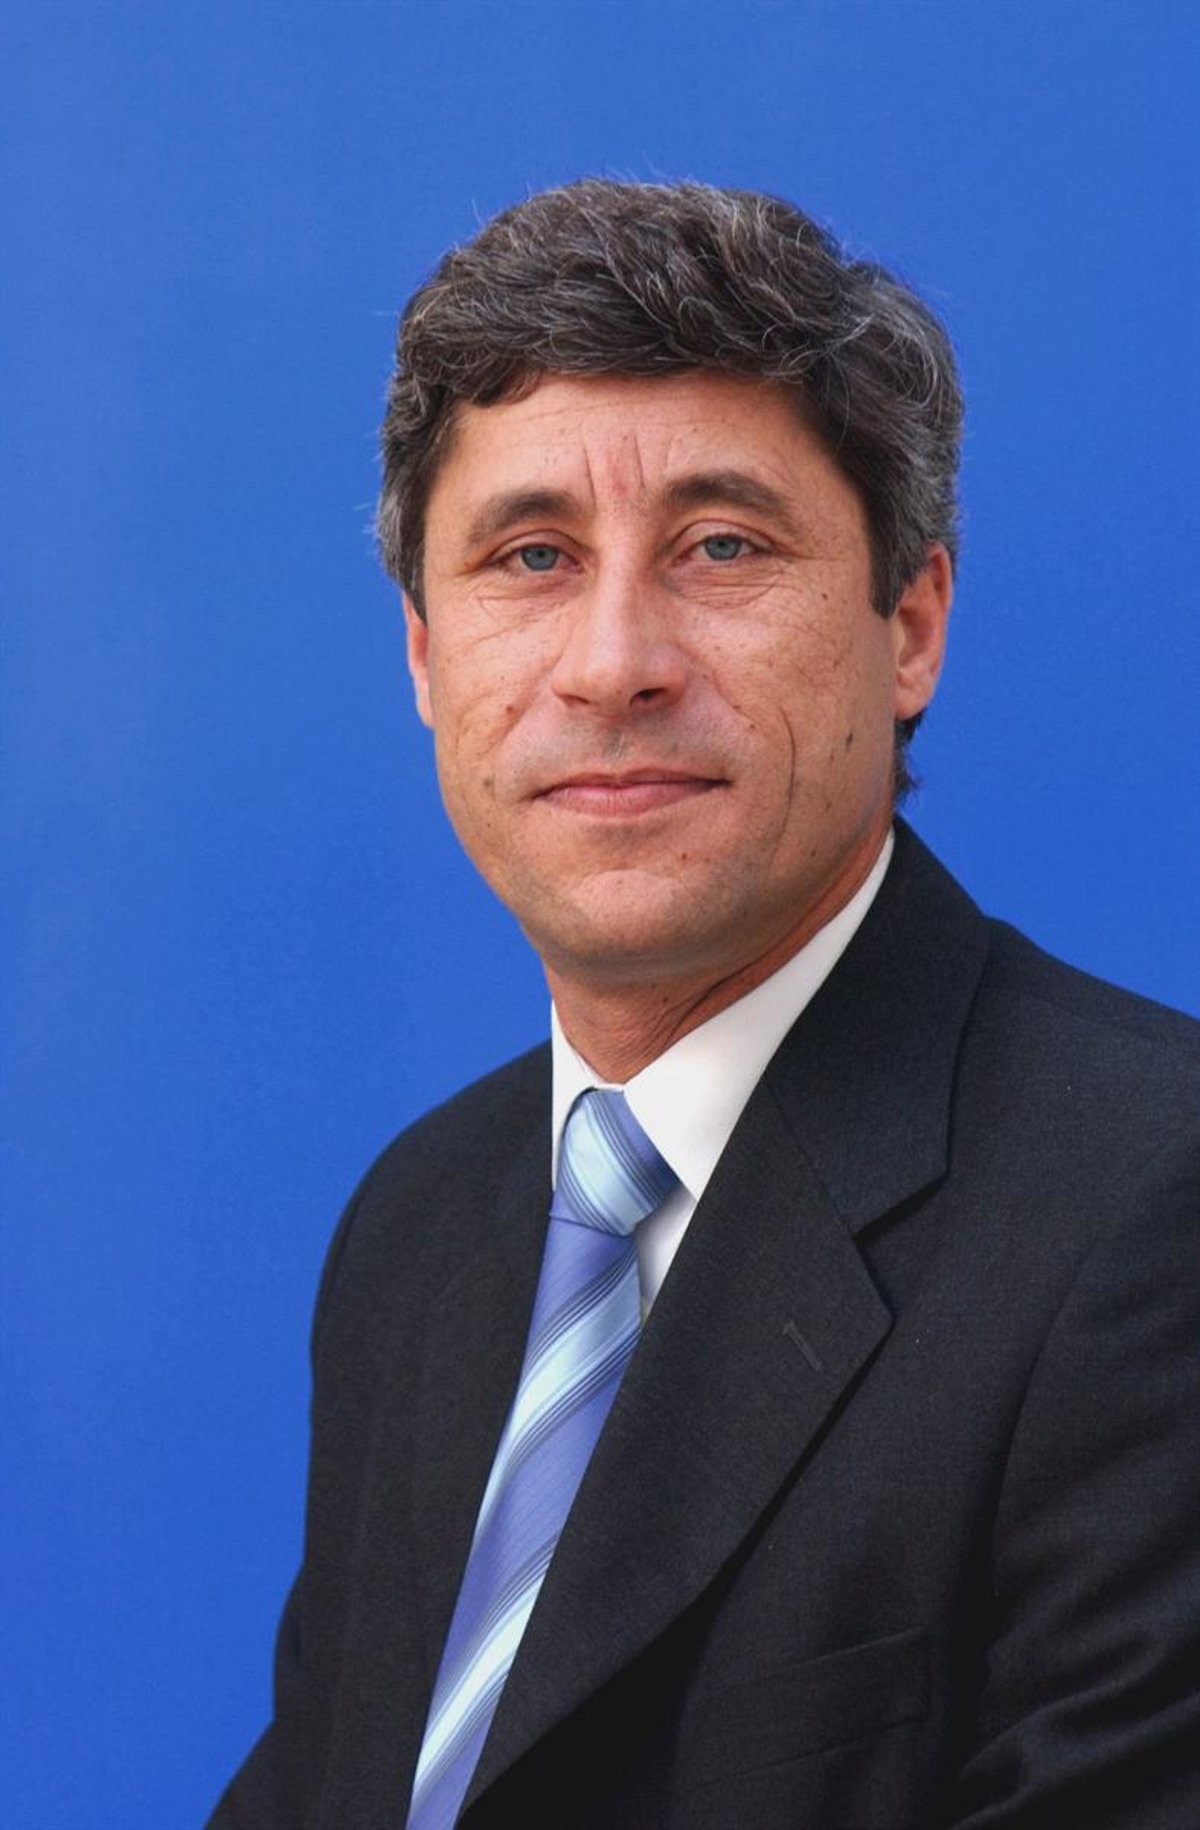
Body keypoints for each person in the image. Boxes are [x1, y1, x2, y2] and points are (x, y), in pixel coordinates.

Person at [209, 180, 1200, 1829]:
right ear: (426, 660)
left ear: (911, 626)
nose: (614, 663)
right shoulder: (417, 1231)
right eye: (532, 555)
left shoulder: (1154, 1205)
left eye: (722, 545)